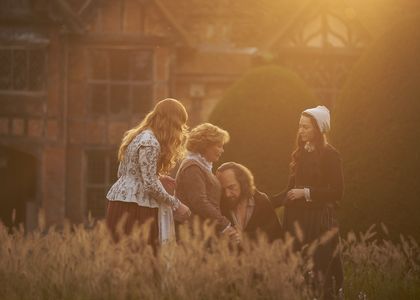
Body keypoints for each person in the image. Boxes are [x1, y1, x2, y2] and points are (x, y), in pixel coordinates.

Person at [271, 105, 344, 299]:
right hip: (295, 222)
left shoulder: (331, 155)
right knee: (296, 274)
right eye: (300, 126)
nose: (301, 131)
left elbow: (337, 192)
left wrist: (306, 192)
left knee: (319, 276)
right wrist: (262, 201)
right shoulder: (300, 153)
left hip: (318, 222)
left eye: (306, 127)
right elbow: (288, 192)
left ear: (318, 129)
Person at [106, 98, 191, 249]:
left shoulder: (139, 136)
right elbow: (150, 185)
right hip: (136, 208)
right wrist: (176, 204)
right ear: (171, 122)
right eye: (179, 126)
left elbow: (124, 173)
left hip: (121, 202)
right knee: (141, 259)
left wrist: (157, 177)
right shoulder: (151, 142)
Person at [175, 123, 239, 242]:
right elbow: (199, 202)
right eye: (219, 146)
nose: (222, 150)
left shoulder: (202, 166)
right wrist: (224, 224)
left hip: (203, 231)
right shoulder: (192, 167)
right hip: (192, 234)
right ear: (205, 145)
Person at [217, 162, 282, 242]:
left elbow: (275, 234)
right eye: (223, 189)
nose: (227, 194)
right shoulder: (218, 206)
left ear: (243, 183)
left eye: (231, 187)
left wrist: (243, 237)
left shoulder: (261, 202)